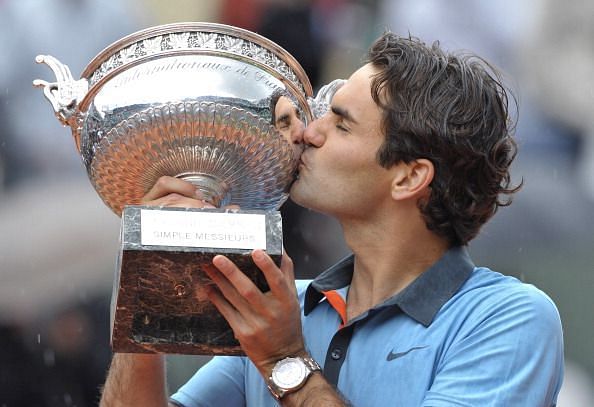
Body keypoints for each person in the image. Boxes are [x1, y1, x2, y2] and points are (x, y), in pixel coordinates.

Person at [99, 32, 564, 406]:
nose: (307, 132)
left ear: (408, 177)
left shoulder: (507, 319)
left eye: (339, 124)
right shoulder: (278, 309)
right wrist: (149, 276)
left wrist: (286, 361)